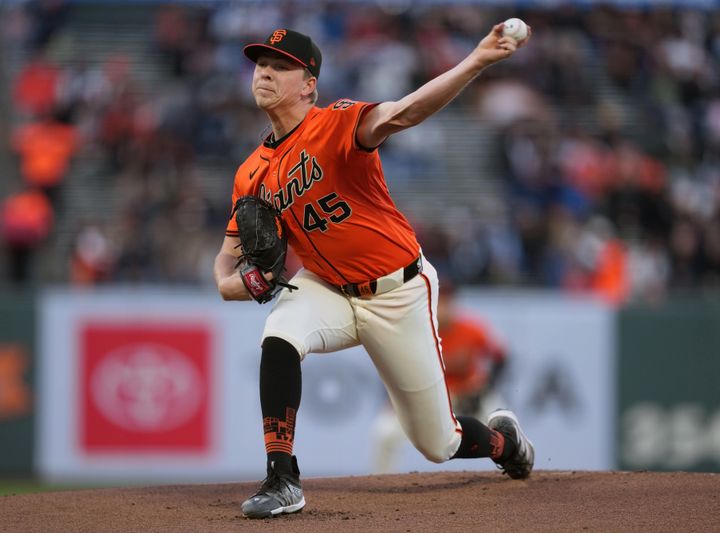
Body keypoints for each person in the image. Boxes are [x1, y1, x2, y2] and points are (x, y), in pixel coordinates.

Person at [213, 24, 534, 519]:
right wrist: (243, 283)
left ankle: (502, 444)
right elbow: (224, 268)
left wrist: (476, 62)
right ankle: (282, 479)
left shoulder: (337, 122)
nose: (265, 73)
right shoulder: (250, 172)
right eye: (261, 64)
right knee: (278, 335)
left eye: (281, 66)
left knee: (438, 443)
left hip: (398, 290)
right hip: (326, 286)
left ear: (309, 85)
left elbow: (404, 113)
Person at [371, 279, 508, 474]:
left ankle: (517, 468)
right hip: (429, 400)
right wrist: (395, 398)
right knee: (384, 432)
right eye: (438, 302)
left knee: (504, 424)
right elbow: (390, 366)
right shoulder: (413, 332)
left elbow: (502, 358)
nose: (443, 308)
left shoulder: (472, 330)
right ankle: (380, 482)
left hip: (468, 398)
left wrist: (484, 387)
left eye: (447, 302)